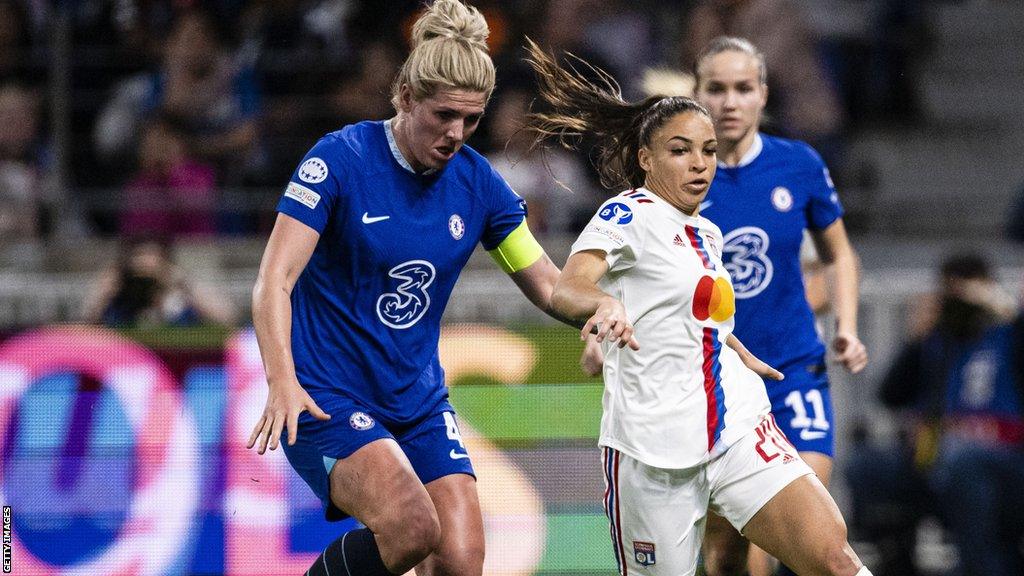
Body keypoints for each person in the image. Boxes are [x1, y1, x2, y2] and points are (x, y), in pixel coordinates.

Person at [524, 39, 872, 576]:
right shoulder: (626, 214)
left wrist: (732, 346)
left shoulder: (706, 230)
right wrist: (601, 312)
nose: (700, 164)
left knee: (832, 557)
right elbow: (569, 288)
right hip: (652, 453)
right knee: (725, 561)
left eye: (707, 151)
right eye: (681, 150)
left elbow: (694, 314)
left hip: (736, 424)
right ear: (646, 158)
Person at [245, 3, 562, 576]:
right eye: (443, 115)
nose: (456, 135)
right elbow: (275, 280)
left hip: (416, 404)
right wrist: (281, 380)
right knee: (412, 527)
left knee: (462, 560)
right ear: (406, 96)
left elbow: (549, 287)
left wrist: (611, 308)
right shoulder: (340, 160)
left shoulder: (478, 184)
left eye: (470, 120)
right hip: (324, 396)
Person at [683, 37, 867, 576]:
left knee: (800, 523)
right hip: (714, 384)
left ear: (764, 94)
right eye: (715, 89)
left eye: (743, 88)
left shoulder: (799, 165)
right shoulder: (678, 176)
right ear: (696, 95)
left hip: (794, 371)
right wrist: (602, 331)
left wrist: (848, 325)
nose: (729, 102)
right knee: (728, 546)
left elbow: (839, 253)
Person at [847, 254, 1023, 576]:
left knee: (963, 461)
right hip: (935, 460)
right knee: (868, 465)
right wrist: (916, 339)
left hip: (1005, 465)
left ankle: (983, 568)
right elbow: (890, 395)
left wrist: (1001, 308)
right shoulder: (939, 343)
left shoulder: (1009, 336)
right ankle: (897, 564)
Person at [82, 236, 236, 328]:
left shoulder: (178, 299)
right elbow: (84, 326)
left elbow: (228, 319)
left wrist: (184, 283)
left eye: (154, 259)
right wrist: (104, 292)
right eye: (139, 258)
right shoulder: (118, 300)